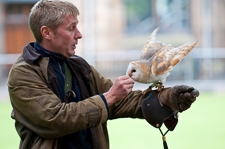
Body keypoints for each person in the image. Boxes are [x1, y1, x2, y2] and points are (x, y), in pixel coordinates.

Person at [7, 0, 199, 149]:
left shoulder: (79, 66)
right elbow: (56, 118)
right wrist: (110, 96)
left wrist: (165, 99)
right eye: (71, 28)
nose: (79, 34)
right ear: (47, 33)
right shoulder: (24, 73)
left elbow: (119, 102)